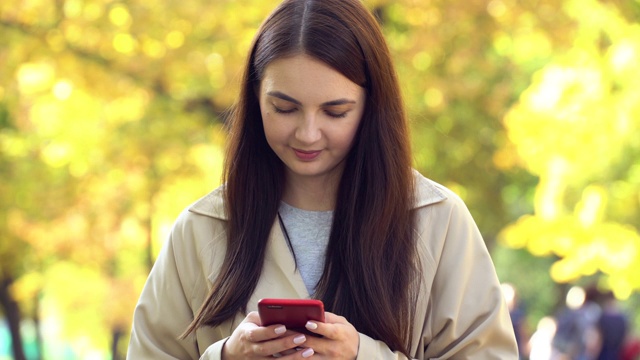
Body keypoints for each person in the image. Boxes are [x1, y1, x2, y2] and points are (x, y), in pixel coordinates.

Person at [126, 0, 518, 358]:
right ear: (254, 98)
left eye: (335, 112)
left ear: (371, 106)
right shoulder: (201, 228)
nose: (307, 134)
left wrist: (362, 355)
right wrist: (226, 356)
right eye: (284, 108)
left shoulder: (437, 221)